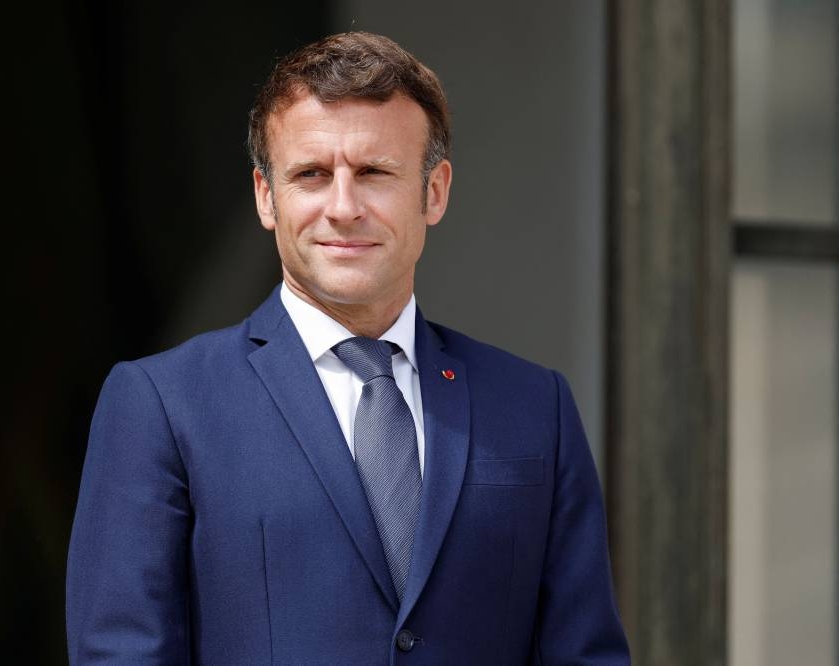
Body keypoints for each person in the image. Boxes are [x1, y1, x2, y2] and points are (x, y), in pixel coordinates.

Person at [66, 31, 629, 664]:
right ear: (265, 196)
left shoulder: (535, 407)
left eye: (373, 173)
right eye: (311, 175)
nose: (343, 207)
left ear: (434, 191)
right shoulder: (163, 405)